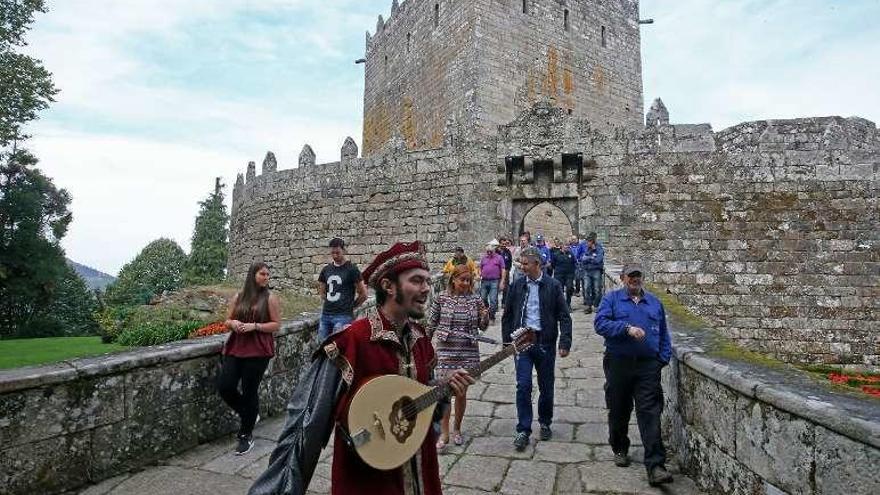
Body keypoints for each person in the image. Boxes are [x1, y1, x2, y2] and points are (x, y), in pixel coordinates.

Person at [248, 241, 475, 495]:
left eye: (427, 281)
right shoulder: (350, 342)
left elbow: (421, 400)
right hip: (368, 480)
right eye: (417, 281)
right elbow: (306, 424)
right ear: (388, 286)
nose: (426, 289)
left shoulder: (421, 340)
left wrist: (442, 390)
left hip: (421, 470)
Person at [594, 263, 674, 487]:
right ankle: (620, 448)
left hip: (648, 366)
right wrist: (626, 328)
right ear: (622, 278)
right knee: (619, 408)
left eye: (638, 276)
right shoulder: (611, 300)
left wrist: (662, 359)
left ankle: (656, 465)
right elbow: (600, 324)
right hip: (618, 364)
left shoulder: (654, 303)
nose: (635, 280)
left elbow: (664, 335)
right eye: (631, 276)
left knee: (650, 412)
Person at [501, 247, 572, 451]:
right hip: (522, 343)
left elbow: (564, 316)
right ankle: (523, 428)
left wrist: (564, 342)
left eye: (525, 263)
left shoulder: (553, 285)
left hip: (545, 343)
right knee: (523, 385)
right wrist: (508, 342)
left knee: (546, 386)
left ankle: (545, 422)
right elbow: (508, 315)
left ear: (537, 264)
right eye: (521, 263)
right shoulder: (516, 286)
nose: (522, 267)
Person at [219, 262, 281, 455]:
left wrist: (255, 326)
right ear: (253, 275)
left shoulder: (270, 298)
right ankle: (250, 414)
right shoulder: (239, 297)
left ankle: (245, 435)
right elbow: (226, 321)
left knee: (249, 390)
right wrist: (234, 323)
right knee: (225, 386)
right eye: (262, 274)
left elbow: (276, 325)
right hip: (236, 347)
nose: (266, 277)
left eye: (268, 275)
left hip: (258, 350)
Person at [428, 264, 489, 450]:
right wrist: (426, 348)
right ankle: (444, 433)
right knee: (445, 392)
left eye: (469, 280)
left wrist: (485, 316)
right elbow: (431, 324)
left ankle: (457, 429)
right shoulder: (441, 298)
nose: (465, 283)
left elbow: (483, 326)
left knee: (461, 392)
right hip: (446, 350)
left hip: (467, 351)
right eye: (462, 279)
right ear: (453, 279)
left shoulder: (476, 299)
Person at [317, 238, 367, 341]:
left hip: (343, 316)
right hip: (326, 314)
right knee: (321, 347)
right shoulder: (326, 269)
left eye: (338, 253)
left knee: (338, 347)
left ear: (344, 251)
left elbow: (363, 294)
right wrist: (329, 300)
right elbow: (321, 290)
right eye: (332, 253)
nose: (335, 255)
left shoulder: (352, 269)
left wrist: (352, 306)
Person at [478, 239, 506, 321]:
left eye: (490, 251)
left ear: (494, 250)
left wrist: (502, 281)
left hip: (494, 281)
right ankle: (486, 311)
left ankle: (492, 316)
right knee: (483, 298)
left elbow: (503, 270)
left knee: (493, 300)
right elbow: (480, 268)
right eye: (488, 251)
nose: (489, 253)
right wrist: (479, 274)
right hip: (484, 280)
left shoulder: (499, 258)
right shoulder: (484, 258)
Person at [581, 232, 605, 314]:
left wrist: (588, 258)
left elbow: (598, 260)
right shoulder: (586, 248)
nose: (587, 243)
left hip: (596, 271)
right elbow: (583, 259)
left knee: (597, 289)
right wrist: (591, 257)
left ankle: (597, 305)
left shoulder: (599, 248)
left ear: (592, 241)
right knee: (587, 288)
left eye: (588, 241)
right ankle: (588, 306)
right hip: (587, 271)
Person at [551, 240, 577, 308]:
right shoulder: (556, 254)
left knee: (569, 288)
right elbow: (553, 264)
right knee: (560, 290)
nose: (566, 247)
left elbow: (574, 262)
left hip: (569, 275)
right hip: (559, 274)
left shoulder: (571, 254)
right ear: (561, 246)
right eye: (565, 246)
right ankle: (561, 305)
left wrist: (573, 272)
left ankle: (568, 304)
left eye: (568, 246)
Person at [497, 236, 514, 306]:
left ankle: (504, 302)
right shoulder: (496, 252)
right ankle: (495, 303)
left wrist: (508, 270)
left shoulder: (508, 252)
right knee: (496, 288)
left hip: (506, 272)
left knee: (506, 288)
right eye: (502, 244)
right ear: (499, 243)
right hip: (497, 272)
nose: (504, 245)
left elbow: (510, 262)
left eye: (505, 244)